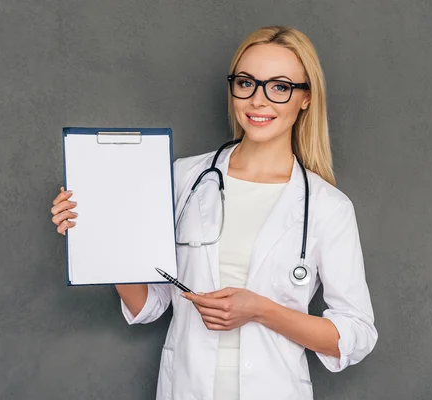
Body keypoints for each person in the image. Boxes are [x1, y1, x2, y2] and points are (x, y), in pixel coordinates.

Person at [50, 26, 377, 400]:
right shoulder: (182, 179)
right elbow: (149, 304)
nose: (258, 100)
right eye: (246, 82)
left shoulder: (328, 207)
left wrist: (260, 310)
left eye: (280, 86)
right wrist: (101, 229)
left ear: (305, 98)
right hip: (186, 388)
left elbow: (356, 334)